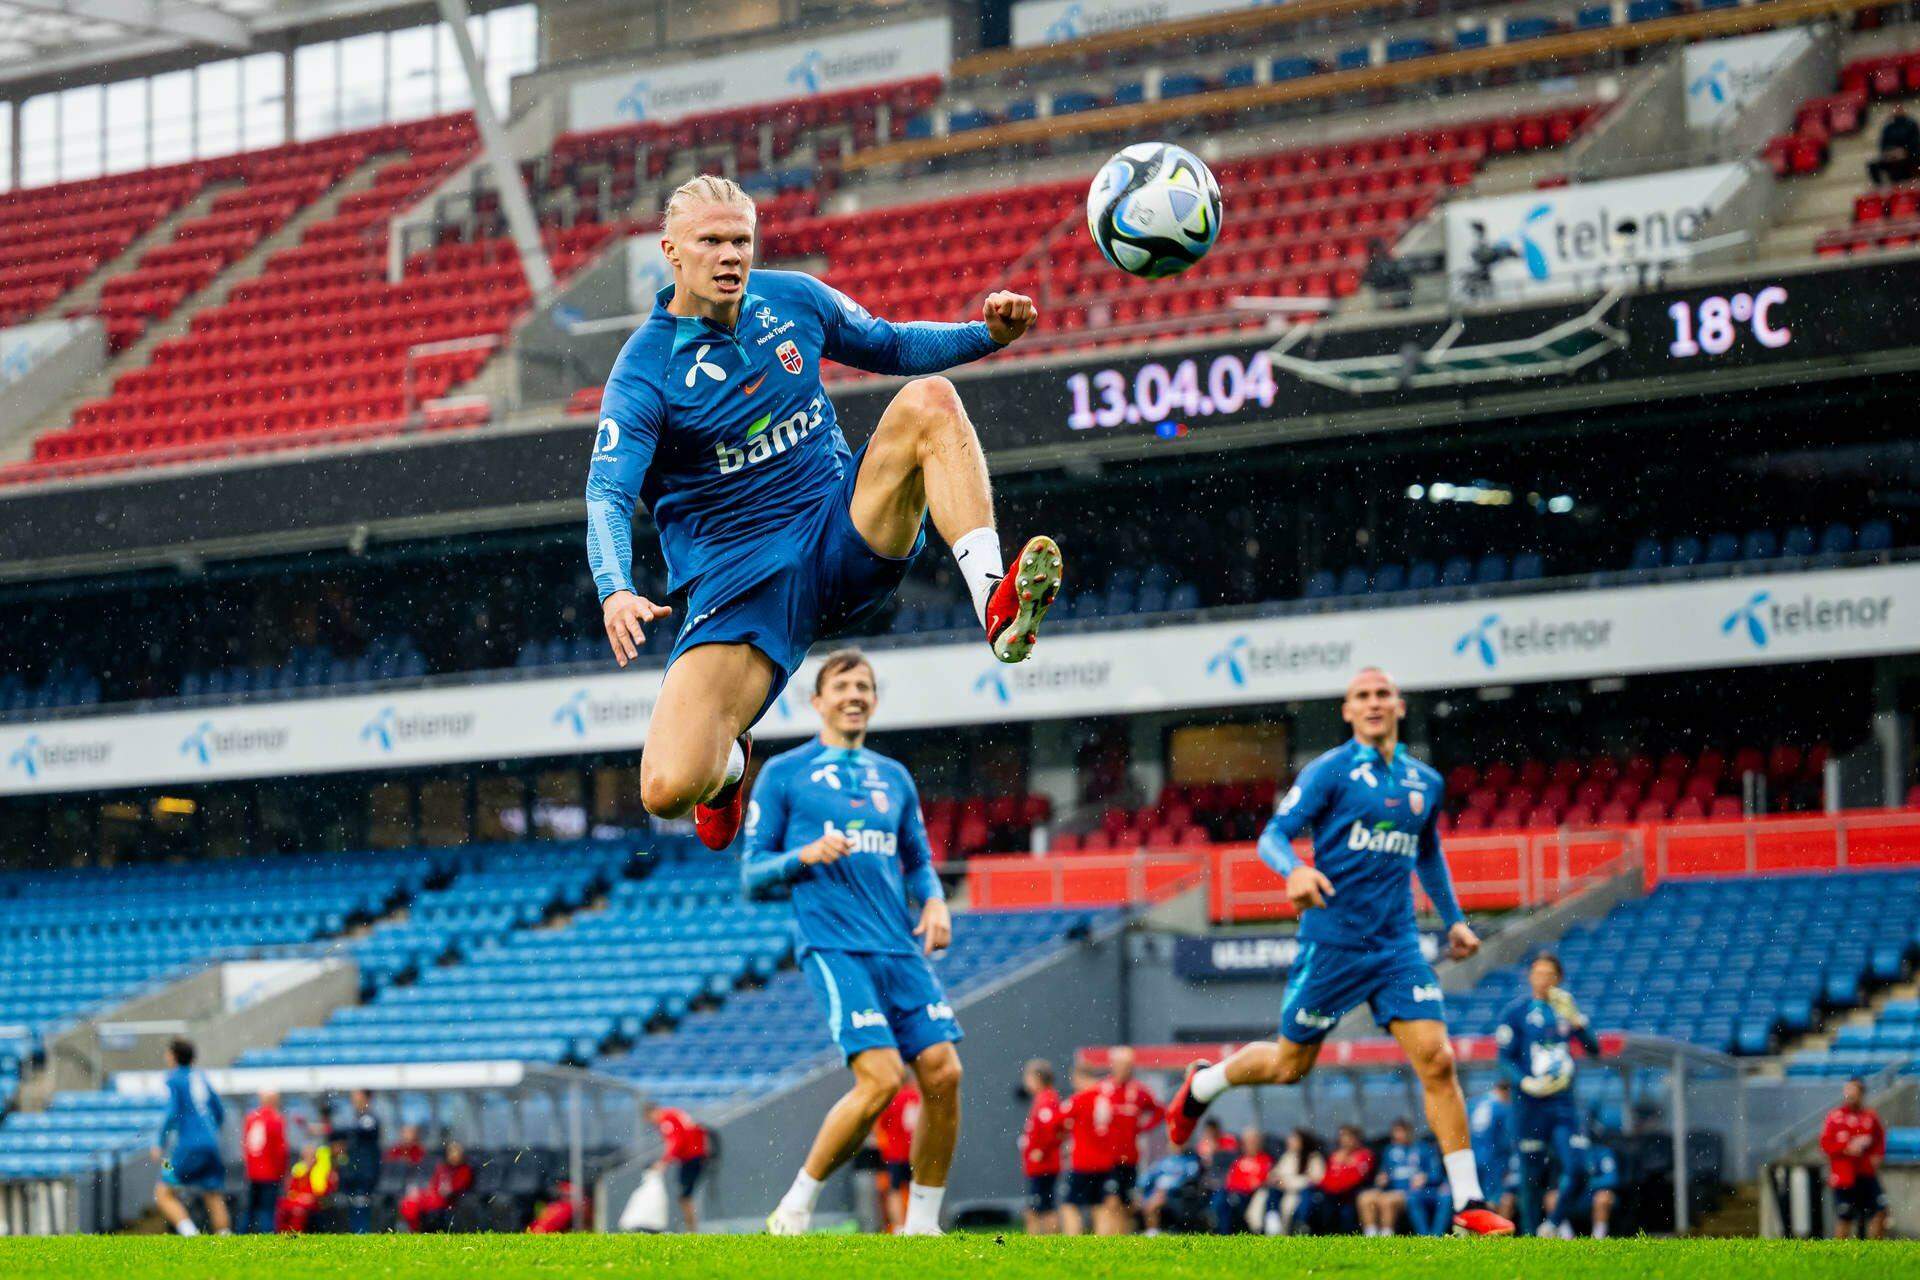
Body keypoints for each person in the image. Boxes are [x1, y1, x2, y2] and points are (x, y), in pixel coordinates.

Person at [585, 173, 1062, 856]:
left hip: (841, 531)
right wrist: (615, 588)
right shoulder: (643, 372)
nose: (729, 255)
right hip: (739, 587)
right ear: (672, 251)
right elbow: (606, 493)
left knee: (930, 400)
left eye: (741, 240)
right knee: (666, 787)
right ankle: (727, 773)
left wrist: (983, 334)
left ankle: (996, 599)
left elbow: (894, 346)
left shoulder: (792, 299)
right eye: (711, 241)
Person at [1164, 667, 1513, 1236]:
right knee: (1287, 1066)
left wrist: (1454, 921)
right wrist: (1296, 870)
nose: (1373, 703)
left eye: (1382, 694)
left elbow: (1428, 852)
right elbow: (1272, 835)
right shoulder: (1329, 771)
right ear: (1348, 711)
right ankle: (1204, 1083)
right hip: (1333, 945)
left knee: (1438, 1060)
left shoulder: (1426, 781)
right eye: (1362, 697)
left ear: (1399, 705)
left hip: (1397, 946)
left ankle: (1468, 1203)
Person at [748, 650, 963, 1237]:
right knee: (884, 1079)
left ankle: (921, 1225)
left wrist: (937, 900)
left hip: (900, 948)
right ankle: (794, 1208)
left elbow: (918, 861)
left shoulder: (893, 777)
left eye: (864, 685)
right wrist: (803, 857)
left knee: (943, 1074)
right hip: (835, 947)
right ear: (816, 701)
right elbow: (751, 874)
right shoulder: (784, 774)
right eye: (842, 685)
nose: (855, 694)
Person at [1498, 952, 1602, 1237]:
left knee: (1579, 1168)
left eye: (1549, 974)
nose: (1543, 979)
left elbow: (1594, 1049)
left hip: (1563, 1104)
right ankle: (1532, 1237)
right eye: (1538, 973)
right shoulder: (1516, 1012)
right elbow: (1504, 1058)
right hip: (1529, 1105)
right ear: (1530, 976)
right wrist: (1525, 1082)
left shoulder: (1566, 1010)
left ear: (1558, 979)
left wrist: (1577, 1020)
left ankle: (1553, 1223)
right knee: (1530, 1177)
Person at [151, 1038, 230, 1236]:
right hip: (211, 1144)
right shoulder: (200, 1077)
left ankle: (189, 1233)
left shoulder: (174, 1078)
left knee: (163, 1192)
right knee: (212, 1193)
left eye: (168, 1053)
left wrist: (158, 1142)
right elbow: (219, 1110)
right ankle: (225, 1235)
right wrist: (211, 1132)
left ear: (174, 1056)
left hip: (190, 1145)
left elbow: (171, 1113)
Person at [1096, 1046, 1164, 1234]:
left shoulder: (1139, 1091)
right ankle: (1109, 1238)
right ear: (1113, 1065)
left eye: (1129, 1065)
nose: (1125, 1068)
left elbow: (1159, 1111)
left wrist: (1143, 1128)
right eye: (1122, 1064)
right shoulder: (1102, 1090)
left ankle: (1124, 1239)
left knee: (1128, 1203)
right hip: (1108, 1158)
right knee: (1110, 1200)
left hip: (1130, 1157)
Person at [1821, 1077, 1888, 1240]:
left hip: (1865, 1173)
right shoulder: (1835, 1117)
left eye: (1853, 1092)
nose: (1849, 1095)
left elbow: (1879, 1139)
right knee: (1845, 1216)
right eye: (1847, 1091)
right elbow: (1825, 1144)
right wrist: (1845, 1148)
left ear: (1861, 1094)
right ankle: (1839, 1253)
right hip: (1844, 1176)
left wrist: (1877, 1155)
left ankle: (1875, 1249)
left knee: (1881, 1210)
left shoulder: (1870, 1116)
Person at [1060, 1062, 1115, 1237]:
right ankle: (1102, 1243)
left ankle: (1071, 1241)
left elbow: (1059, 1120)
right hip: (1104, 1160)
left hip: (1084, 1161)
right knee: (1099, 1205)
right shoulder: (1107, 1095)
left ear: (1080, 1077)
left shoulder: (1079, 1099)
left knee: (1070, 1205)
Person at [1017, 1059, 1065, 1235]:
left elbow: (1052, 1129)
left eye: (1027, 1077)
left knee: (1041, 1208)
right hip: (1040, 1165)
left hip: (1044, 1165)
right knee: (1039, 1207)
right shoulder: (1043, 1098)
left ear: (1037, 1078)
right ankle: (1040, 1241)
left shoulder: (1046, 1099)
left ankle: (1047, 1241)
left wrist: (1040, 1150)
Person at [646, 1101, 711, 1232]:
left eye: (650, 1118)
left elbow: (676, 1141)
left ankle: (691, 1229)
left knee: (684, 1196)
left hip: (691, 1157)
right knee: (685, 1195)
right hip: (694, 1155)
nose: (652, 1122)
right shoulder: (673, 1113)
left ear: (653, 1112)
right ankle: (691, 1228)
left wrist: (664, 1161)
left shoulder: (667, 1119)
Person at [326, 1088, 382, 1233]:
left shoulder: (370, 1119)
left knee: (361, 1202)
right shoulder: (357, 1119)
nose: (355, 1101)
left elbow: (356, 1131)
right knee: (351, 1203)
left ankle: (362, 1232)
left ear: (367, 1098)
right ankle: (354, 1232)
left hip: (366, 1170)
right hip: (353, 1169)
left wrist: (329, 1130)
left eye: (357, 1097)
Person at [1361, 1118, 1425, 1237]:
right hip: (1390, 1189)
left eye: (1402, 1132)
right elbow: (1384, 1172)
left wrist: (1424, 1177)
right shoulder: (1389, 1150)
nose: (1399, 1135)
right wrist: (1381, 1179)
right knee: (1365, 1198)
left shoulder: (1421, 1148)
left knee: (1387, 1200)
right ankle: (1370, 1235)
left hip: (1409, 1192)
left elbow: (1434, 1173)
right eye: (1396, 1132)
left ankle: (1387, 1235)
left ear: (1409, 1133)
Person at [873, 1079, 921, 1231]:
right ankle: (918, 1223)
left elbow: (881, 1125)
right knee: (918, 1190)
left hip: (896, 1153)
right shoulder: (918, 1097)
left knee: (894, 1190)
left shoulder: (893, 1099)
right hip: (917, 1153)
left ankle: (899, 1227)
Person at [240, 1089, 289, 1235]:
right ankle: (267, 1237)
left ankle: (242, 1235)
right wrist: (281, 1172)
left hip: (253, 1172)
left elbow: (247, 1146)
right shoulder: (276, 1119)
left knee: (250, 1209)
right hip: (270, 1173)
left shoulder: (251, 1118)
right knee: (267, 1209)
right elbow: (281, 1150)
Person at [398, 1140, 474, 1233]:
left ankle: (415, 1229)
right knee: (409, 1201)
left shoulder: (465, 1170)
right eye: (452, 1152)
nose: (454, 1155)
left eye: (457, 1152)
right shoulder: (443, 1168)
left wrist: (449, 1190)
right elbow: (434, 1184)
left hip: (448, 1200)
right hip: (434, 1196)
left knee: (415, 1204)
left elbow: (460, 1187)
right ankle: (412, 1228)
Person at [1470, 1078, 1518, 1223]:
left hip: (1473, 1157)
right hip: (1492, 1159)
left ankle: (1475, 1235)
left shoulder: (1473, 1104)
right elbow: (1507, 1139)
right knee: (1494, 1198)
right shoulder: (1502, 1107)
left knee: (1475, 1198)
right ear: (1506, 1092)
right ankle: (1495, 1235)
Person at [1265, 1128, 1325, 1236]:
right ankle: (1272, 1218)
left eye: (1294, 1138)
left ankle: (1301, 1224)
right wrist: (1277, 1181)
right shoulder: (1287, 1156)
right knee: (1272, 1192)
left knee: (1306, 1194)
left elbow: (1315, 1180)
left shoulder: (1313, 1157)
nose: (1289, 1141)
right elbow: (1275, 1174)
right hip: (1284, 1193)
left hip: (1301, 1193)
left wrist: (1288, 1183)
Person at [1319, 1124, 1375, 1234]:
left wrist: (1344, 1168)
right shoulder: (1335, 1156)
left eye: (1348, 1137)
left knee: (1347, 1213)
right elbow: (1327, 1179)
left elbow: (1356, 1179)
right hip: (1333, 1194)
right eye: (1342, 1137)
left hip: (1352, 1194)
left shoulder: (1364, 1155)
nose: (1344, 1141)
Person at [1215, 1127, 1272, 1234]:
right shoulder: (1239, 1160)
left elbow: (1257, 1183)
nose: (1249, 1145)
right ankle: (1221, 1231)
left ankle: (1226, 1233)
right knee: (1221, 1197)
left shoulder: (1264, 1160)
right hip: (1233, 1192)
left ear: (1259, 1143)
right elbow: (1230, 1180)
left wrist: (1242, 1185)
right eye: (1247, 1142)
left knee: (1229, 1203)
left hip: (1250, 1195)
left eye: (1252, 1141)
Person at [1138, 1144, 1203, 1236]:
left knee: (1156, 1199)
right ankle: (1150, 1230)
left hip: (1176, 1194)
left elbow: (1189, 1178)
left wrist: (1168, 1188)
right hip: (1157, 1192)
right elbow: (1147, 1177)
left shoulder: (1191, 1161)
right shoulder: (1165, 1161)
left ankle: (1153, 1229)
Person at [275, 1143, 336, 1234]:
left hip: (316, 1201)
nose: (308, 1159)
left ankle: (295, 1233)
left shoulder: (321, 1171)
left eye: (311, 1156)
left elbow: (325, 1190)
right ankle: (282, 1233)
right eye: (306, 1157)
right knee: (282, 1205)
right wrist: (298, 1197)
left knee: (299, 1210)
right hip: (300, 1199)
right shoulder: (299, 1170)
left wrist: (310, 1197)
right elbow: (291, 1190)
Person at [1867, 103, 1920, 187]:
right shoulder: (1888, 127)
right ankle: (1880, 187)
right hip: (1892, 156)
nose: (1897, 112)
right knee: (1873, 165)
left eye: (1899, 110)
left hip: (1909, 155)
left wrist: (1905, 151)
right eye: (1895, 110)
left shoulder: (1911, 124)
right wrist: (1890, 153)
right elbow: (1883, 144)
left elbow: (1915, 142)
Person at [1579, 1140, 1620, 1239]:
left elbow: (1612, 1179)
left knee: (1603, 1197)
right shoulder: (1570, 1153)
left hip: (1594, 1194)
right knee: (1552, 1197)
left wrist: (1588, 1183)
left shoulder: (1603, 1152)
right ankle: (1565, 1238)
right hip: (1576, 1196)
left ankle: (1598, 1238)